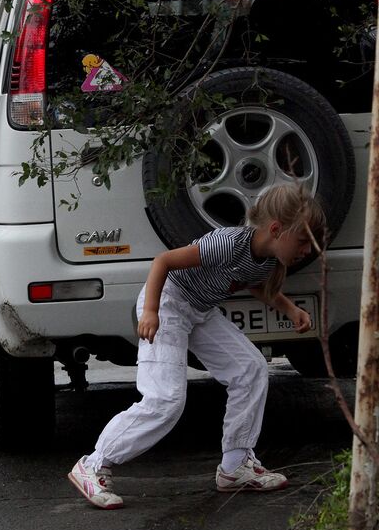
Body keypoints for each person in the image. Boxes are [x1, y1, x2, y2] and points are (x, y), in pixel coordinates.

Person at [68, 184, 325, 509]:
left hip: (199, 310)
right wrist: (150, 311)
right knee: (166, 399)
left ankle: (235, 466)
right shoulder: (228, 244)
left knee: (251, 369)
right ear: (276, 229)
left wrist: (290, 310)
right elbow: (163, 262)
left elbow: (259, 288)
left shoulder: (267, 259)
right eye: (303, 240)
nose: (307, 250)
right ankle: (94, 465)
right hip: (168, 303)